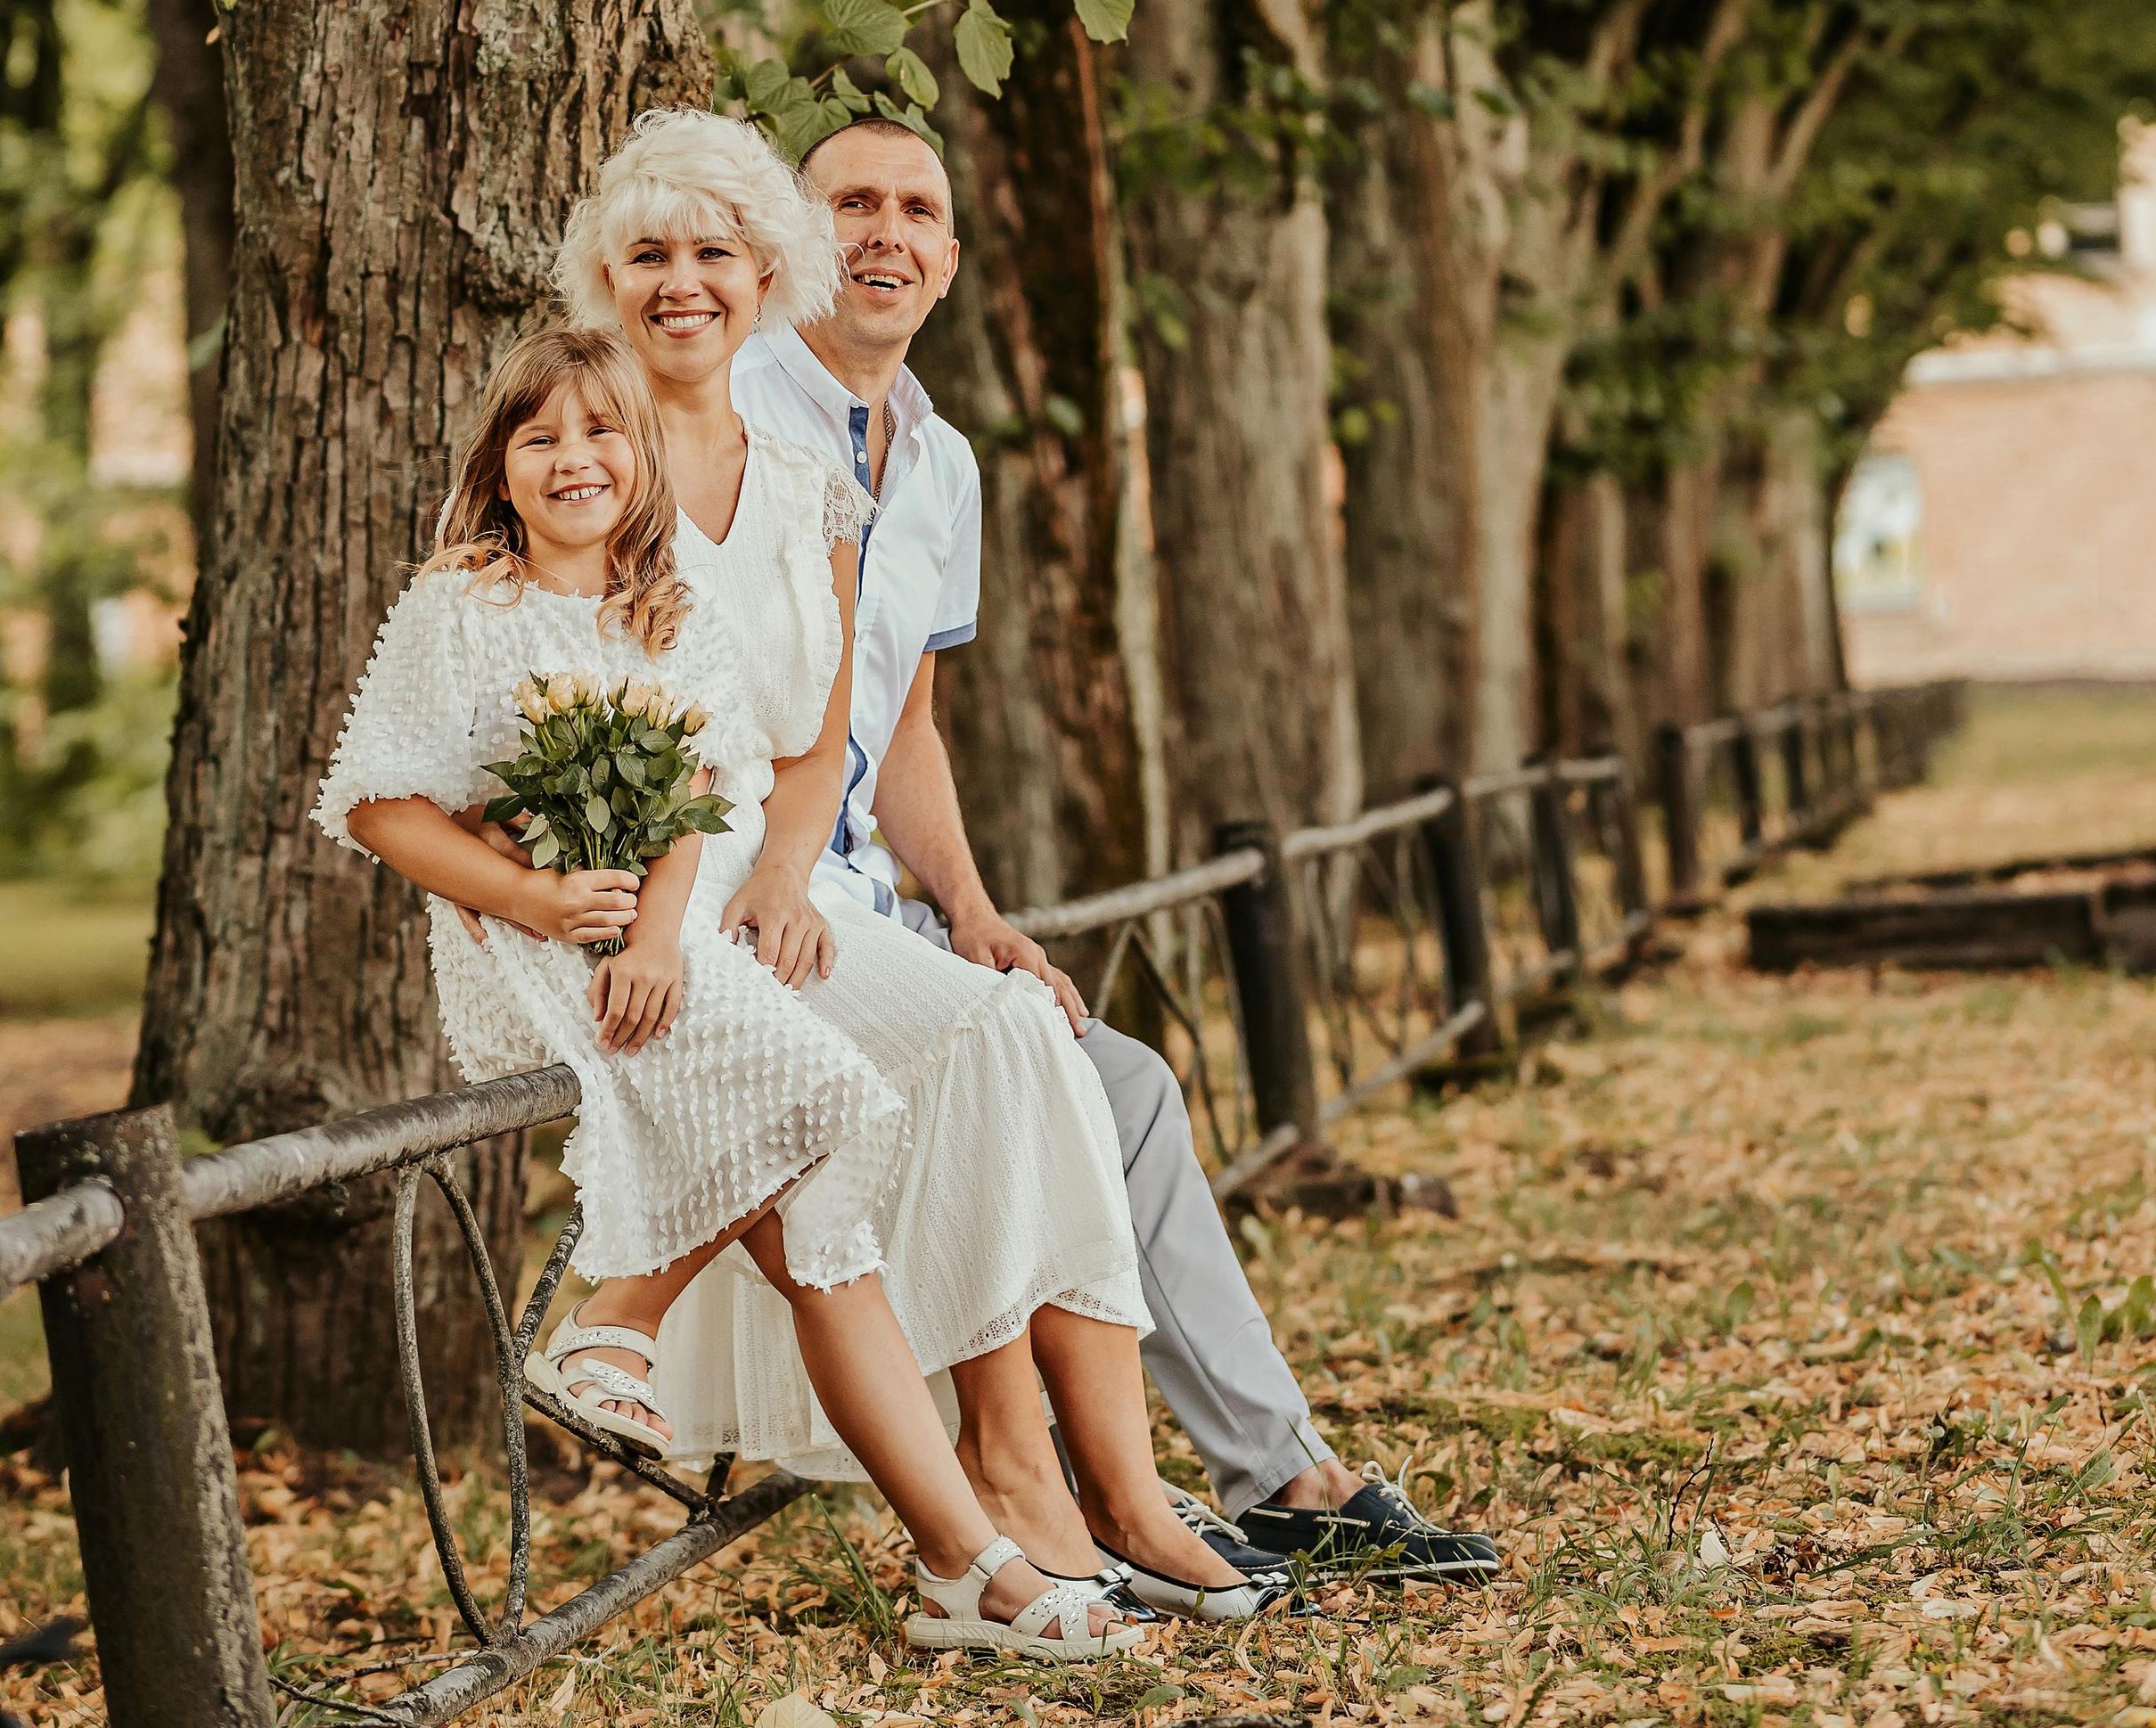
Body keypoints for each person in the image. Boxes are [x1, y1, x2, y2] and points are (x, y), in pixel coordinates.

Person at [565, 103, 1497, 1588]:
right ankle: (1100, 1493)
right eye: (851, 203)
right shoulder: (720, 403)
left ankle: (1237, 1477)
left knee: (1120, 1080)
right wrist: (758, 882)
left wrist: (979, 908)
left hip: (863, 896)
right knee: (1053, 1076)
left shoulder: (940, 467)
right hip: (739, 902)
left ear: (948, 259)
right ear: (798, 246)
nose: (885, 233)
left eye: (917, 211)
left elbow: (907, 725)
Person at [319, 324, 1259, 1661]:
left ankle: (962, 1565)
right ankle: (616, 1323)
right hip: (527, 939)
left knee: (824, 1220)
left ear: (639, 463)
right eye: (542, 440)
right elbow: (378, 806)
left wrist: (651, 934)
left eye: (600, 435)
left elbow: (702, 792)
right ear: (498, 468)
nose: (575, 460)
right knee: (829, 1107)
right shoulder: (461, 607)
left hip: (662, 932)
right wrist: (534, 897)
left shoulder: (670, 611)